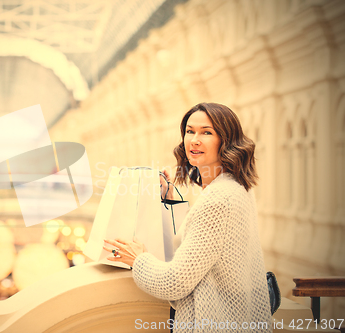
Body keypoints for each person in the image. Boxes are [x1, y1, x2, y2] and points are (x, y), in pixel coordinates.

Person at [104, 103, 272, 332]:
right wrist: (168, 200)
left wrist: (138, 259)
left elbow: (174, 283)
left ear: (227, 141)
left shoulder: (218, 199)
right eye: (190, 131)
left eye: (207, 132)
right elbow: (200, 245)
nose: (194, 139)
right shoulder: (234, 187)